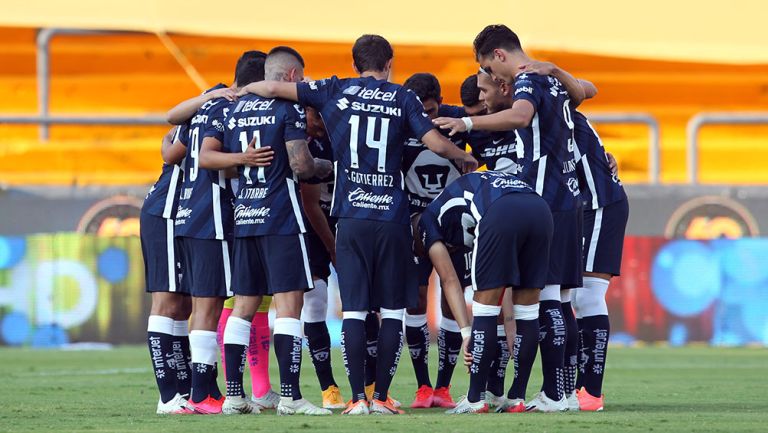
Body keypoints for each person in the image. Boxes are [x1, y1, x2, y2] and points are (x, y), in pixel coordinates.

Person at [238, 34, 478, 415]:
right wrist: (462, 160)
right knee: (391, 312)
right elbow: (433, 141)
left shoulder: (335, 90)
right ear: (389, 64)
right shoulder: (403, 97)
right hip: (392, 219)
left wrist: (240, 91)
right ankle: (381, 397)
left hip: (350, 218)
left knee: (353, 311)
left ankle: (355, 400)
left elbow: (273, 86)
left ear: (354, 64)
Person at [434, 24, 585, 412]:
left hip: (546, 197)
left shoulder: (525, 81)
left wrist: (467, 124)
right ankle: (561, 392)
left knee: (546, 300)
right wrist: (556, 70)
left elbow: (519, 117)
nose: (492, 78)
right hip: (569, 199)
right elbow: (586, 91)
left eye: (489, 68)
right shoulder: (549, 79)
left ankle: (553, 393)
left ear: (500, 56)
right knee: (559, 300)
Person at [207, 46, 333, 416]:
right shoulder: (288, 107)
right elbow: (301, 164)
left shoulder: (233, 110)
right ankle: (292, 398)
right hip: (281, 218)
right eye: (303, 78)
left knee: (243, 308)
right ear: (292, 77)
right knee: (290, 306)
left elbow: (227, 167)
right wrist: (327, 166)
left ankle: (233, 396)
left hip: (245, 217)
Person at [172, 52, 269, 415]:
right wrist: (244, 160)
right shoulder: (228, 109)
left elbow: (171, 141)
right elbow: (207, 157)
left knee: (205, 305)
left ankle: (205, 390)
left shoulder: (209, 104)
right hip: (210, 216)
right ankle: (201, 395)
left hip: (190, 213)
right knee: (210, 305)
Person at [415, 171, 553, 414]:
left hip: (500, 212)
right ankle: (517, 398)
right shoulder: (460, 201)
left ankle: (474, 398)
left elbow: (449, 279)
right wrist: (510, 321)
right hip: (540, 209)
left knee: (485, 309)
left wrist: (467, 332)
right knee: (528, 313)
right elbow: (507, 281)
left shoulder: (426, 221)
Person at [401, 72, 470, 409]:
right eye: (419, 111)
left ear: (440, 103)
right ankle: (422, 386)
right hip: (412, 223)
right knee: (414, 299)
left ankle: (443, 387)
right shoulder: (398, 120)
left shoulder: (460, 120)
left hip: (451, 223)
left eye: (429, 111)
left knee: (449, 299)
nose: (424, 119)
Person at [141, 125, 192, 414]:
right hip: (167, 212)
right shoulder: (211, 108)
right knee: (166, 301)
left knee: (183, 305)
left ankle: (185, 391)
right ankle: (167, 397)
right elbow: (171, 143)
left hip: (186, 214)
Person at [299, 105, 346, 409]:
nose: (318, 123)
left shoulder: (344, 137)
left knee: (362, 302)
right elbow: (311, 204)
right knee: (315, 300)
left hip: (347, 219)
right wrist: (332, 247)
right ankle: (328, 387)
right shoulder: (300, 142)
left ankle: (368, 386)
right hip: (312, 228)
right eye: (315, 116)